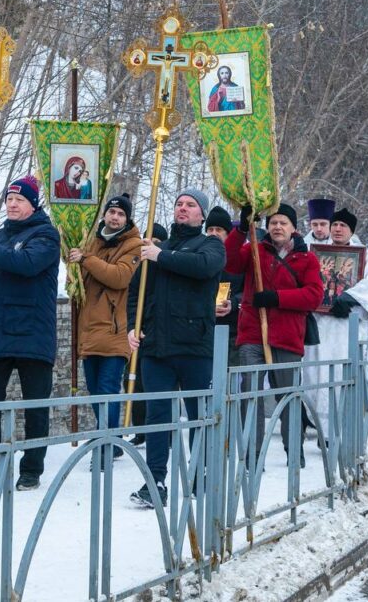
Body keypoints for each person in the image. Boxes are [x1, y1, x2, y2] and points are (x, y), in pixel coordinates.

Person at [127, 189, 226, 508]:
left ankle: (199, 475)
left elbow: (203, 268)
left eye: (190, 205)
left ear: (202, 214)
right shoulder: (158, 248)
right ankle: (154, 480)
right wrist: (134, 324)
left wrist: (160, 256)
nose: (183, 209)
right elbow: (136, 292)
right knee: (158, 417)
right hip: (157, 349)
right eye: (179, 204)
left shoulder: (210, 245)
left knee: (199, 415)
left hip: (195, 346)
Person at [0, 176, 61, 492]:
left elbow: (26, 263)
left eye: (20, 199)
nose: (12, 203)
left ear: (33, 204)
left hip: (32, 335)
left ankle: (32, 468)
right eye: (9, 198)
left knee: (35, 405)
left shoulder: (46, 236)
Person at [226, 202, 323, 467]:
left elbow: (314, 296)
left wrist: (275, 298)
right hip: (253, 334)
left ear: (293, 228)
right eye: (273, 223)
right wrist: (242, 229)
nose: (277, 227)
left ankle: (294, 449)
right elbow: (230, 262)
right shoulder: (255, 250)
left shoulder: (306, 258)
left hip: (287, 337)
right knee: (251, 394)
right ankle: (252, 453)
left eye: (283, 223)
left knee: (288, 395)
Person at [67, 193, 142, 464]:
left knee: (108, 389)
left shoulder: (134, 245)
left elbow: (120, 277)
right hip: (89, 329)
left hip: (115, 329)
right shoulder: (92, 240)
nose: (114, 217)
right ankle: (110, 438)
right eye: (111, 212)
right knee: (95, 389)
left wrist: (85, 259)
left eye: (121, 214)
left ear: (127, 218)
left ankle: (107, 444)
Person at [302, 208, 368, 442]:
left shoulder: (367, 257)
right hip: (321, 326)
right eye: (335, 225)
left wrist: (350, 298)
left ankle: (343, 431)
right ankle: (321, 429)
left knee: (345, 376)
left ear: (351, 230)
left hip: (349, 327)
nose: (338, 229)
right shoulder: (317, 253)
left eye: (343, 226)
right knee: (317, 376)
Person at [128, 222, 170, 448]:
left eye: (156, 242)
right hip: (140, 331)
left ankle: (164, 431)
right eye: (148, 241)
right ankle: (139, 428)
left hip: (159, 332)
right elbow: (133, 297)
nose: (151, 245)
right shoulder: (138, 266)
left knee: (160, 389)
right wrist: (134, 324)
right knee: (135, 382)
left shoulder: (165, 266)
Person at [205, 206, 243, 366]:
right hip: (205, 329)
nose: (214, 233)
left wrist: (233, 303)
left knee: (228, 382)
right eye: (210, 229)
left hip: (232, 331)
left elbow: (248, 291)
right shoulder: (199, 257)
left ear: (228, 234)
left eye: (219, 229)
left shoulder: (239, 258)